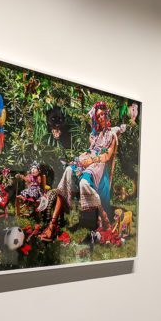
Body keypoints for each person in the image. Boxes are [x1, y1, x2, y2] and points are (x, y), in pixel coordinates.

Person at [39, 102, 129, 240]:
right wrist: (84, 158)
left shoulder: (112, 134)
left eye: (104, 114)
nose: (102, 117)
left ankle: (103, 216)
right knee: (68, 170)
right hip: (87, 158)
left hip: (98, 164)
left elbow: (107, 156)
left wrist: (92, 160)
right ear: (95, 119)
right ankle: (53, 223)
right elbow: (91, 149)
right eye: (99, 116)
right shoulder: (94, 135)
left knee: (84, 183)